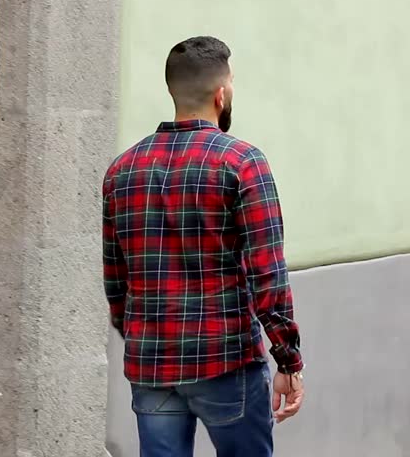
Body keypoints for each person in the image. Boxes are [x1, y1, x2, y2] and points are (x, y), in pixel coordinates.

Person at [102, 36, 305, 457]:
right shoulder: (242, 162)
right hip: (225, 359)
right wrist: (288, 359)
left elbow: (115, 280)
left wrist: (141, 335)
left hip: (152, 363)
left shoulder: (121, 170)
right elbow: (268, 272)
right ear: (221, 93)